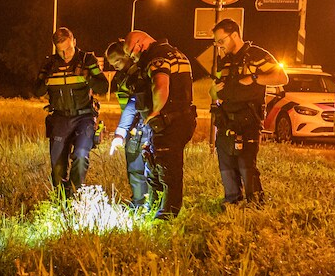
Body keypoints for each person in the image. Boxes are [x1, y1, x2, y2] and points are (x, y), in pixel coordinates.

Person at [104, 31, 196, 219]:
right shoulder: (175, 53)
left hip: (168, 121)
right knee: (155, 168)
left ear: (139, 45)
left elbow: (161, 85)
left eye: (131, 54)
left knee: (167, 172)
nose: (133, 58)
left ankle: (166, 216)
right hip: (176, 118)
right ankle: (152, 209)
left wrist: (155, 113)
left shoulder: (156, 58)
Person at [209, 18, 287, 205]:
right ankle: (231, 201)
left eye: (222, 41)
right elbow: (216, 85)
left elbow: (282, 77)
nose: (219, 46)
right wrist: (213, 92)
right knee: (226, 163)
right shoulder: (224, 60)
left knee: (246, 164)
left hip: (248, 119)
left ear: (234, 35)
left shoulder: (256, 55)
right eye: (216, 43)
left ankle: (256, 203)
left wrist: (253, 78)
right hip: (226, 118)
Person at [34, 27, 108, 197]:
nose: (65, 54)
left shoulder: (87, 59)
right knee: (57, 166)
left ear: (74, 42)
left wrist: (86, 75)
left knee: (81, 155)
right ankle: (61, 200)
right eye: (61, 51)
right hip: (60, 117)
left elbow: (103, 86)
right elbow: (36, 91)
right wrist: (46, 79)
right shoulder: (49, 63)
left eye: (68, 49)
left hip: (84, 116)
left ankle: (75, 194)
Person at [107, 67, 152, 209]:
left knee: (144, 170)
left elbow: (133, 103)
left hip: (145, 127)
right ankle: (140, 204)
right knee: (135, 167)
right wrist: (121, 133)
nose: (117, 66)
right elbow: (131, 104)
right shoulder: (124, 77)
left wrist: (120, 132)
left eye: (119, 62)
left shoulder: (141, 74)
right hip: (135, 127)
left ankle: (145, 205)